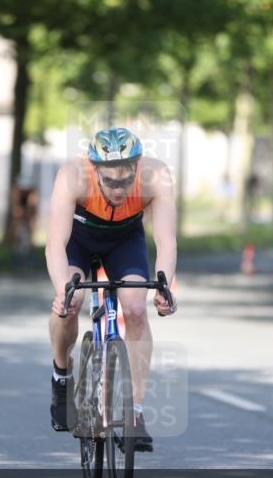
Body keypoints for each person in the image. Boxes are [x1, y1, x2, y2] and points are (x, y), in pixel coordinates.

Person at [46, 127, 177, 452]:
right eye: (110, 182)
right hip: (79, 238)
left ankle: (135, 414)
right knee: (72, 301)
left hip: (124, 239)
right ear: (95, 171)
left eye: (125, 181)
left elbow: (165, 240)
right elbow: (54, 244)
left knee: (134, 308)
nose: (118, 190)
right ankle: (62, 378)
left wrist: (164, 285)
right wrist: (62, 289)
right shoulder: (72, 176)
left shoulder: (156, 176)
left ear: (138, 167)